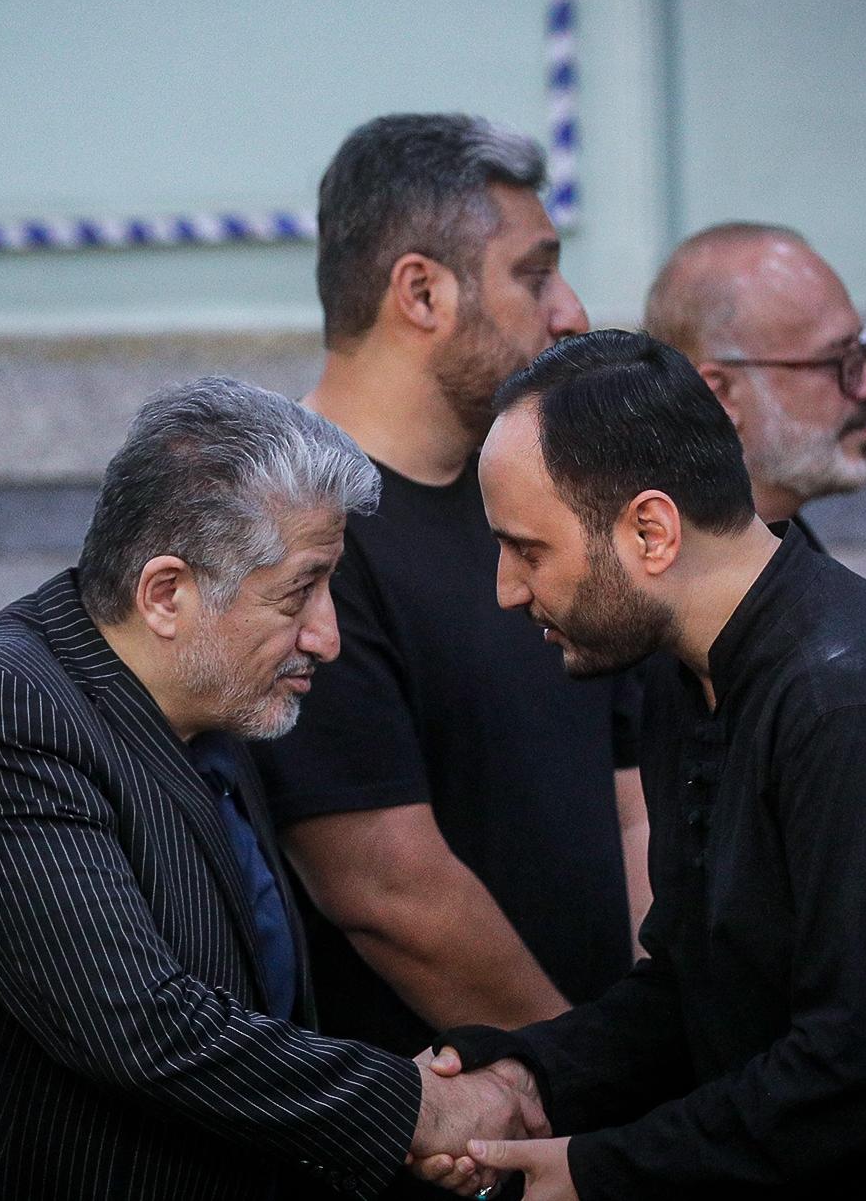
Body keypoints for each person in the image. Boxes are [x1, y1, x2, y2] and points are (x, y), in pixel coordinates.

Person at [414, 329, 866, 1198]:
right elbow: (698, 988)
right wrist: (526, 1078)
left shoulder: (861, 712)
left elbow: (862, 1069)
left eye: (529, 549)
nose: (507, 587)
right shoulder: (691, 672)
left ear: (652, 530)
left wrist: (594, 1172)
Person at [0, 378, 547, 1201]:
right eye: (299, 592)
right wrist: (417, 1108)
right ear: (166, 594)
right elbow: (139, 1024)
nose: (328, 635)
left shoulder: (210, 698)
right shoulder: (5, 715)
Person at [251, 114, 647, 1087]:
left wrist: (656, 1033)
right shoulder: (296, 530)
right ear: (422, 292)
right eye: (534, 275)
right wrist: (588, 1075)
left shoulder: (536, 498)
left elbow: (632, 801)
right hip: (451, 1119)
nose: (570, 312)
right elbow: (388, 891)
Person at [642, 221, 866, 544]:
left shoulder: (777, 549)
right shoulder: (650, 569)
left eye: (860, 354)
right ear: (720, 394)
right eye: (836, 361)